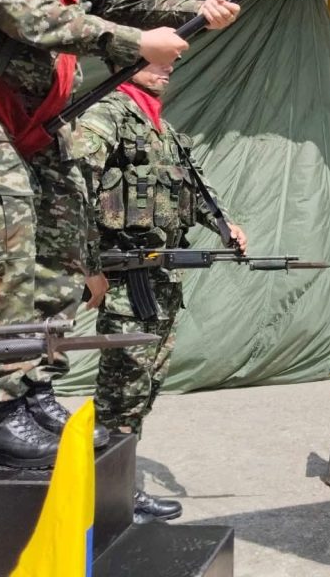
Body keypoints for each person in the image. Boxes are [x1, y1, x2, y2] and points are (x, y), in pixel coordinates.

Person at [0, 0, 239, 468]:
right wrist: (133, 43)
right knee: (13, 241)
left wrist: (195, 7)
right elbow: (30, 16)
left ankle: (30, 383)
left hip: (35, 124)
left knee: (62, 250)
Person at [73, 60, 246, 522]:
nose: (168, 68)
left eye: (171, 62)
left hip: (164, 279)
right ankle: (105, 499)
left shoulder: (163, 129)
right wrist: (90, 266)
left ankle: (114, 488)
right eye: (156, 59)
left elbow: (196, 185)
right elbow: (75, 186)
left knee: (145, 388)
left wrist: (224, 224)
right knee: (122, 389)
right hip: (126, 278)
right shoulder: (106, 114)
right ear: (127, 60)